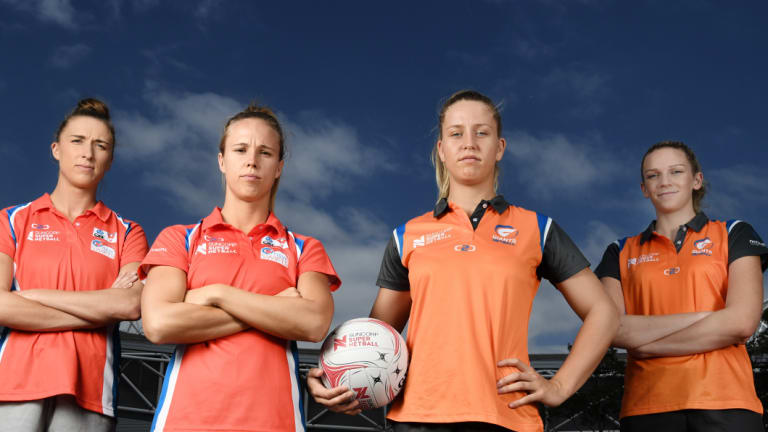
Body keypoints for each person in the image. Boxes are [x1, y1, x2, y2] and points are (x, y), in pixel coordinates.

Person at [307, 89, 619, 432]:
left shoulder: (537, 229)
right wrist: (335, 377)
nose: (469, 142)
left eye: (481, 132)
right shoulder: (407, 235)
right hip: (417, 417)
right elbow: (377, 335)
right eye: (456, 133)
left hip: (506, 415)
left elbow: (603, 312)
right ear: (441, 149)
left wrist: (560, 386)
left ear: (500, 148)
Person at [140, 103, 341, 432]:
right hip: (186, 421)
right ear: (222, 160)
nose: (252, 160)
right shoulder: (180, 238)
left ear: (278, 167)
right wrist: (275, 310)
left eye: (265, 152)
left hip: (275, 423)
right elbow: (160, 324)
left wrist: (214, 293)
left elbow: (313, 323)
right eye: (240, 149)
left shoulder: (304, 248)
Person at [594, 141, 767, 431]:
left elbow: (741, 322)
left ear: (696, 180)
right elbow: (612, 329)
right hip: (646, 406)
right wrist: (707, 318)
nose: (664, 182)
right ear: (644, 188)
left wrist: (646, 344)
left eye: (675, 171)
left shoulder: (734, 233)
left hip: (728, 403)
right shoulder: (619, 251)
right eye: (653, 175)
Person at [0, 98, 148, 431]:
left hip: (91, 392)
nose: (88, 153)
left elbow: (129, 303)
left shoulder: (127, 232)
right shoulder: (11, 220)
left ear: (109, 159)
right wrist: (98, 307)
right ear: (56, 149)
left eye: (101, 145)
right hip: (12, 385)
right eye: (77, 141)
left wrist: (31, 296)